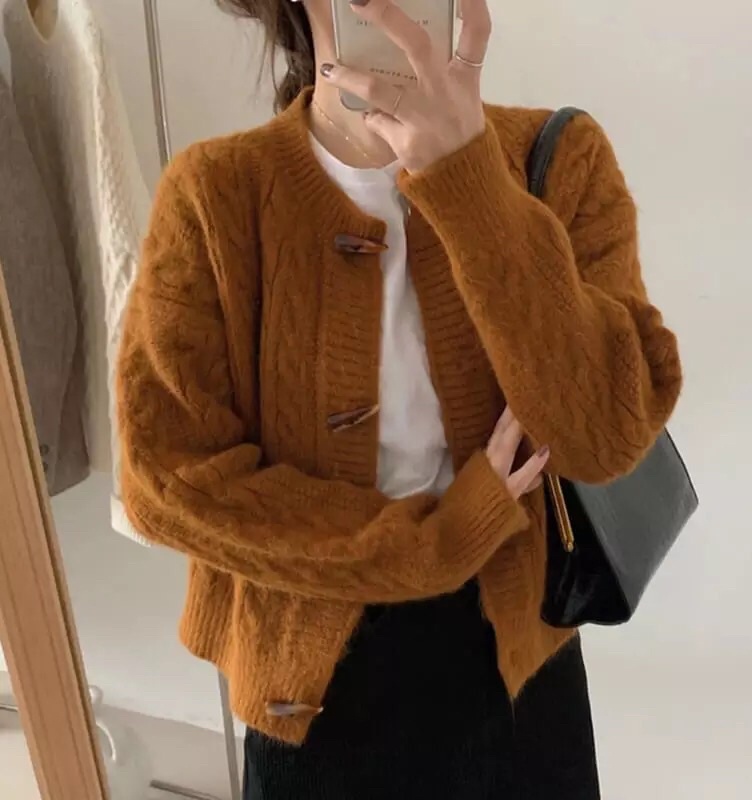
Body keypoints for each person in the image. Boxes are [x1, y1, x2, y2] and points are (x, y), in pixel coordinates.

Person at [116, 0, 683, 797]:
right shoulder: (215, 194)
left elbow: (605, 436)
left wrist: (470, 180)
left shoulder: (557, 161)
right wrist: (437, 542)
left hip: (516, 682)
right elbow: (166, 481)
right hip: (308, 695)